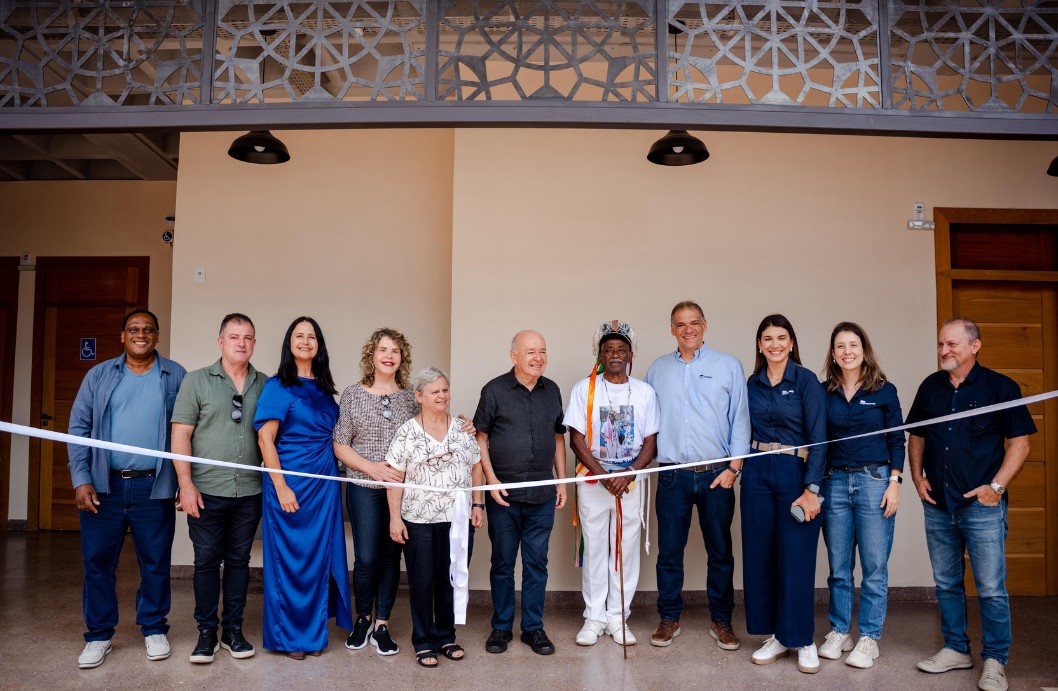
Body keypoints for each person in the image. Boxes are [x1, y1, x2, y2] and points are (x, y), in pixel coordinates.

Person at [907, 318, 1035, 691]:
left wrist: (996, 487)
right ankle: (955, 649)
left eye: (952, 344)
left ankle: (995, 659)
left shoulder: (1001, 387)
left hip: (982, 507)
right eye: (941, 344)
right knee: (947, 583)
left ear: (974, 346)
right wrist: (917, 477)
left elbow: (1021, 443)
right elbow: (916, 436)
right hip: (938, 504)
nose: (944, 350)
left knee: (991, 587)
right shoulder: (930, 387)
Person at [67, 309, 186, 669]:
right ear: (122, 336)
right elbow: (78, 428)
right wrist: (81, 478)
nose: (140, 334)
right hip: (104, 486)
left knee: (155, 563)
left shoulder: (175, 375)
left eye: (148, 329)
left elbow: (186, 430)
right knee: (98, 563)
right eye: (133, 329)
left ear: (157, 336)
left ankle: (154, 628)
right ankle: (99, 635)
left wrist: (184, 481)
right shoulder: (99, 375)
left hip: (154, 486)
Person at [644, 301, 750, 650]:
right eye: (680, 324)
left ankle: (721, 620)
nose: (687, 329)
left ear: (704, 325)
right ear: (672, 330)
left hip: (717, 475)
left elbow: (740, 419)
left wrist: (734, 469)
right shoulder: (658, 369)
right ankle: (668, 618)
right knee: (669, 553)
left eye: (694, 323)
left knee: (720, 552)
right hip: (672, 475)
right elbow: (646, 421)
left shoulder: (728, 366)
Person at [254, 316, 353, 659]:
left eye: (312, 336)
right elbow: (265, 439)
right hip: (290, 481)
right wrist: (281, 487)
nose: (306, 341)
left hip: (323, 486)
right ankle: (289, 638)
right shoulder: (279, 385)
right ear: (289, 342)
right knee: (291, 560)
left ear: (319, 345)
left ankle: (312, 633)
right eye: (299, 335)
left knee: (316, 560)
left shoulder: (325, 388)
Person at [171, 313, 266, 664]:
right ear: (220, 342)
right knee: (207, 562)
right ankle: (206, 633)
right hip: (205, 490)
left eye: (248, 337)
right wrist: (186, 485)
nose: (241, 343)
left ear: (254, 344)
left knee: (240, 562)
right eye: (234, 336)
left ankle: (233, 631)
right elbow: (180, 434)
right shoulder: (196, 381)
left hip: (250, 492)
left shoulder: (265, 384)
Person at [565, 320, 659, 646]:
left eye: (621, 349)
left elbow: (651, 442)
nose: (615, 354)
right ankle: (593, 618)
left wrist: (628, 473)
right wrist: (604, 476)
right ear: (600, 355)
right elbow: (575, 438)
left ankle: (619, 618)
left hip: (630, 481)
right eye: (609, 350)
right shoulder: (584, 389)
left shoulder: (644, 392)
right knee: (594, 547)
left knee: (625, 548)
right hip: (594, 479)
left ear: (631, 355)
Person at [817, 322, 905, 669]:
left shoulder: (884, 390)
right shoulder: (824, 392)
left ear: (864, 350)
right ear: (833, 353)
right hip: (834, 482)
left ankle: (869, 637)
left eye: (853, 345)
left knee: (874, 566)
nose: (847, 352)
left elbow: (897, 439)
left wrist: (895, 482)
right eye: (840, 346)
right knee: (839, 567)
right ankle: (840, 631)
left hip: (875, 481)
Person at [743, 313, 827, 674]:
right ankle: (778, 635)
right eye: (768, 339)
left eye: (781, 338)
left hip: (796, 473)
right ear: (759, 345)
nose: (774, 344)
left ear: (791, 343)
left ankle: (803, 639)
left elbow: (820, 439)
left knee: (796, 557)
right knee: (761, 555)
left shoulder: (806, 381)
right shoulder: (753, 382)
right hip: (757, 471)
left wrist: (811, 489)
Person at [474, 330, 567, 656]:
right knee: (502, 563)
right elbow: (480, 438)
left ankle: (533, 628)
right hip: (503, 497)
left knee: (536, 563)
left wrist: (561, 481)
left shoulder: (552, 390)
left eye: (542, 351)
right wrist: (491, 480)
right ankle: (501, 627)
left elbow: (558, 438)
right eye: (530, 352)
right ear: (514, 356)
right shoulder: (494, 390)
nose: (538, 358)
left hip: (541, 495)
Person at [386, 367, 484, 667]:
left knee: (450, 578)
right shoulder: (406, 432)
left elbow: (476, 465)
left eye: (445, 390)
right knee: (422, 580)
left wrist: (477, 505)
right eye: (434, 391)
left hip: (458, 519)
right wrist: (395, 518)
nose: (442, 396)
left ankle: (446, 636)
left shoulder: (463, 429)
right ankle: (423, 640)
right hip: (418, 519)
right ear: (419, 396)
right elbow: (394, 478)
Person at [332, 328, 415, 657]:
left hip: (400, 490)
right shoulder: (353, 394)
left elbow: (432, 429)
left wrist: (463, 424)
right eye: (383, 349)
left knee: (392, 557)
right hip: (363, 486)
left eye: (395, 351)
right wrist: (372, 468)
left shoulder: (411, 397)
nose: (389, 356)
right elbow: (340, 444)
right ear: (372, 355)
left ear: (402, 358)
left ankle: (382, 624)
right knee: (367, 558)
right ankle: (363, 619)